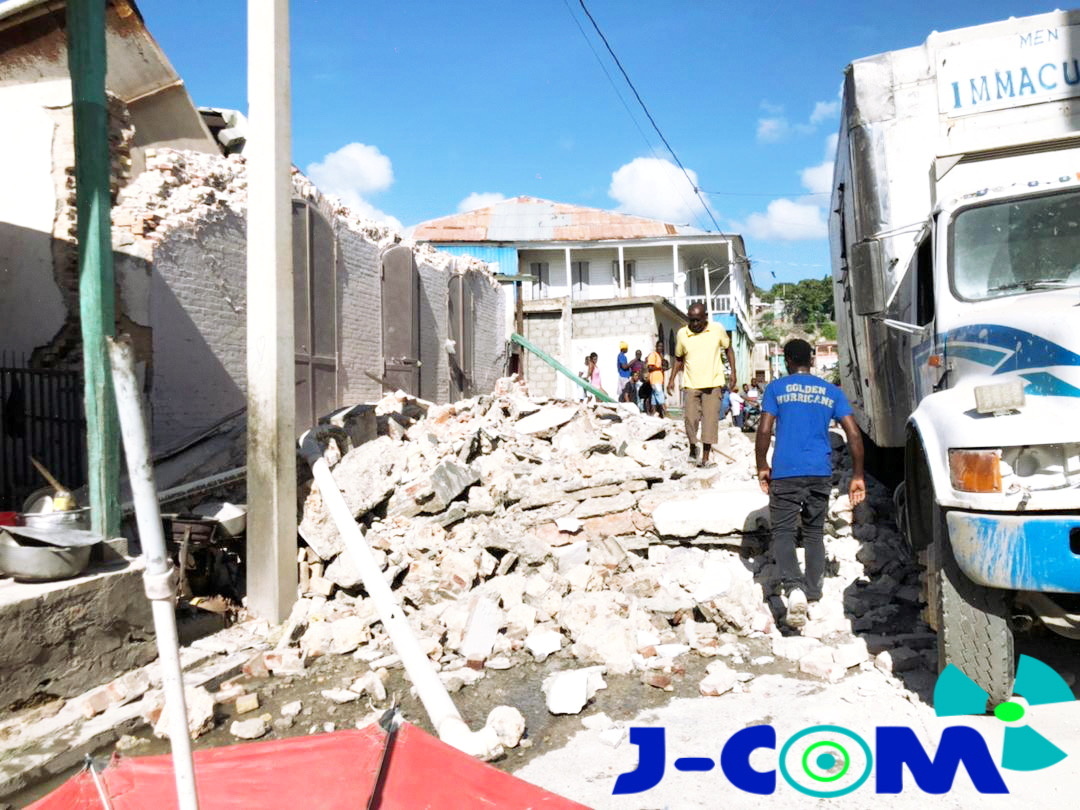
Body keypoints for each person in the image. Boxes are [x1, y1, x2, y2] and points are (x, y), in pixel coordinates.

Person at [755, 338, 866, 629]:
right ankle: (814, 591)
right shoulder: (831, 392)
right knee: (814, 532)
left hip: (786, 471)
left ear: (787, 361)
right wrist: (857, 475)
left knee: (783, 531)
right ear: (812, 360)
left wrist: (762, 465)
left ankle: (793, 589)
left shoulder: (777, 388)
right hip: (819, 472)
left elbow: (764, 429)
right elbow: (853, 433)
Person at [667, 302, 736, 466]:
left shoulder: (717, 329)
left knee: (710, 421)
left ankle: (705, 457)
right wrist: (671, 379)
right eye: (691, 320)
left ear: (705, 317)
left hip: (713, 384)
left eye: (698, 320)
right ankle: (692, 447)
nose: (695, 324)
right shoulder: (682, 334)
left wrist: (733, 372)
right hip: (691, 384)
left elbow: (728, 349)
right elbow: (678, 358)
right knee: (690, 419)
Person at [645, 340, 666, 418]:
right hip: (655, 379)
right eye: (659, 346)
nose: (660, 348)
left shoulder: (659, 355)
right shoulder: (653, 355)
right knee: (660, 396)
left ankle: (653, 413)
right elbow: (650, 367)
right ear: (656, 347)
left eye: (662, 347)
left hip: (658, 380)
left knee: (654, 397)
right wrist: (660, 368)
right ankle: (665, 413)